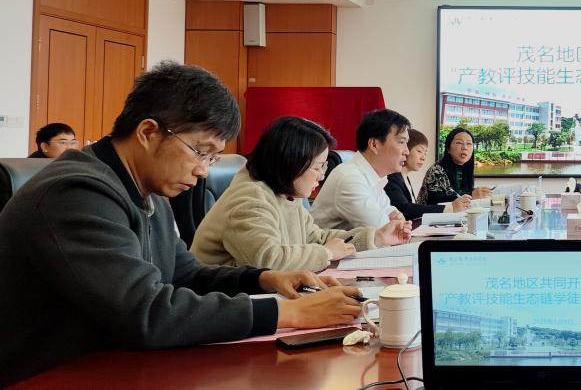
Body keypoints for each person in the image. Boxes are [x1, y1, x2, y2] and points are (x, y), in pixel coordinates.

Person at [0, 62, 365, 386]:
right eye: (200, 151)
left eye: (213, 157)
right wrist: (290, 313)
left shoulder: (148, 189)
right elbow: (146, 312)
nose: (204, 170)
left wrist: (264, 279)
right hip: (49, 375)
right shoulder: (76, 193)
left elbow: (185, 274)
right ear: (148, 132)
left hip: (116, 364)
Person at [191, 116, 412, 271]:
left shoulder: (286, 192)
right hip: (226, 305)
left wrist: (376, 237)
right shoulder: (250, 198)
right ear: (291, 163)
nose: (321, 176)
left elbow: (315, 238)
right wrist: (326, 253)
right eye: (318, 167)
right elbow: (268, 260)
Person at [311, 109, 412, 230]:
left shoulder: (375, 177)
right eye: (401, 142)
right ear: (374, 144)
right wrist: (394, 223)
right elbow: (384, 230)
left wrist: (396, 220)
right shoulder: (349, 178)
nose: (407, 151)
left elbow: (394, 217)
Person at [385, 128, 470, 220]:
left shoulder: (404, 177)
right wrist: (450, 208)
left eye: (425, 153)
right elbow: (405, 209)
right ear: (406, 149)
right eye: (419, 151)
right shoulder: (391, 177)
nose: (423, 158)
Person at [418, 127, 492, 205]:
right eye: (459, 143)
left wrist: (479, 193)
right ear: (448, 148)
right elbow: (437, 202)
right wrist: (471, 195)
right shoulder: (436, 170)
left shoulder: (466, 169)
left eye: (469, 144)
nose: (465, 147)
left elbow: (458, 193)